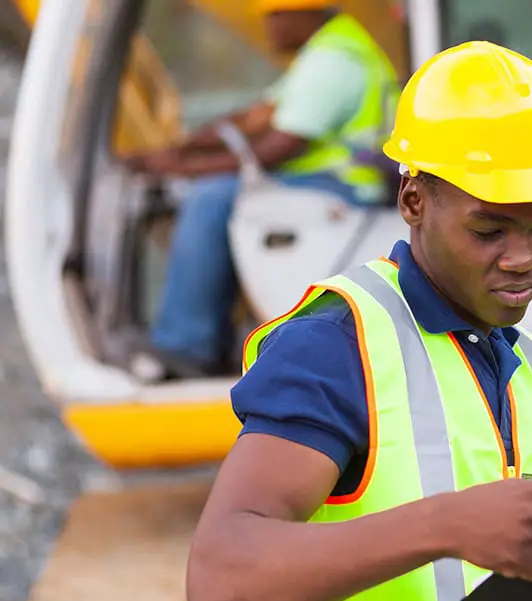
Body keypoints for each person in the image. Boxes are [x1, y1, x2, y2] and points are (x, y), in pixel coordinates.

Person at [184, 40, 532, 601]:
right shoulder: (337, 343)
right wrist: (447, 525)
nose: (522, 258)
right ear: (413, 201)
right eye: (489, 230)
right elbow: (220, 580)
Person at [128, 0, 400, 378]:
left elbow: (282, 145)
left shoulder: (336, 61)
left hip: (343, 187)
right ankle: (212, 339)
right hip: (330, 181)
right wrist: (180, 152)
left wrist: (188, 169)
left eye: (274, 17)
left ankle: (186, 344)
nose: (269, 30)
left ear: (304, 12)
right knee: (215, 190)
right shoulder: (329, 50)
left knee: (211, 198)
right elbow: (258, 116)